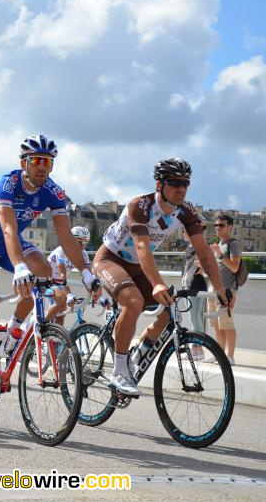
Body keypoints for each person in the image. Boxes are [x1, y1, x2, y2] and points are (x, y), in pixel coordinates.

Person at [0, 134, 98, 414]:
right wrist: (19, 266)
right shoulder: (8, 183)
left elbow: (66, 237)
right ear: (23, 162)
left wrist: (86, 272)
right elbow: (9, 228)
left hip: (11, 243)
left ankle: (14, 330)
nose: (42, 167)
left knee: (44, 270)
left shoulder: (54, 191)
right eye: (36, 160)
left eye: (48, 162)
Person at [94, 158, 233, 397]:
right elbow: (142, 247)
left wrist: (219, 289)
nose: (182, 188)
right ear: (160, 184)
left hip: (138, 267)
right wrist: (157, 282)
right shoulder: (140, 205)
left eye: (186, 183)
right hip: (110, 259)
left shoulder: (186, 212)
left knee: (171, 312)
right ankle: (118, 371)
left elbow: (205, 254)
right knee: (133, 301)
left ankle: (137, 353)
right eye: (175, 183)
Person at [208, 214, 242, 365]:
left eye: (221, 225)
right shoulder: (218, 244)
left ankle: (230, 356)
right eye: (215, 225)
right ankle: (220, 355)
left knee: (227, 324)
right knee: (216, 325)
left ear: (230, 227)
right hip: (213, 289)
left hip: (226, 291)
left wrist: (220, 255)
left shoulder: (233, 244)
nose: (217, 228)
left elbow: (235, 267)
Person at [45, 226, 92, 325]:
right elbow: (62, 276)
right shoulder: (62, 251)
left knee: (61, 316)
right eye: (80, 242)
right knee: (62, 302)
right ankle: (41, 326)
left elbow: (89, 276)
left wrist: (98, 295)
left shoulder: (83, 255)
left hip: (59, 283)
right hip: (46, 282)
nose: (82, 246)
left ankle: (57, 339)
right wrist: (69, 294)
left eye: (85, 242)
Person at [181, 222, 208, 360]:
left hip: (196, 285)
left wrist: (202, 266)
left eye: (184, 230)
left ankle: (198, 350)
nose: (182, 233)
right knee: (195, 318)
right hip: (190, 286)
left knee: (195, 318)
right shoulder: (190, 247)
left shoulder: (198, 246)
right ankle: (197, 350)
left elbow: (206, 263)